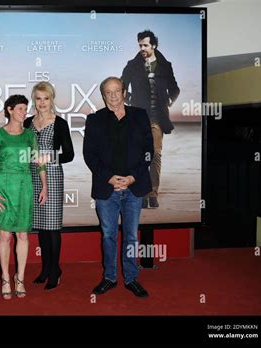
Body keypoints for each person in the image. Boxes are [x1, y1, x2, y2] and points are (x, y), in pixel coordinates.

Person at [83, 77, 153, 298]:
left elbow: (149, 151)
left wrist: (133, 177)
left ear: (124, 92)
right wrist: (109, 178)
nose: (113, 96)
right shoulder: (94, 120)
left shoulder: (140, 116)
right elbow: (90, 155)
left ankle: (131, 278)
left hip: (134, 187)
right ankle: (110, 278)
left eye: (116, 91)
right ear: (103, 96)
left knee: (131, 236)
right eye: (108, 92)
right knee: (108, 235)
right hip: (107, 189)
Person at [0, 95, 47, 299]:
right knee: (4, 235)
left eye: (25, 109)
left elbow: (39, 162)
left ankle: (19, 278)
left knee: (22, 235)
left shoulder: (30, 135)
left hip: (24, 186)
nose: (24, 112)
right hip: (2, 186)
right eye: (20, 109)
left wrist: (44, 186)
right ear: (9, 110)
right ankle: (5, 278)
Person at [24, 81, 74, 290]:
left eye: (46, 98)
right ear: (34, 100)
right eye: (38, 98)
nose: (42, 102)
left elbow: (69, 155)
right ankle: (45, 268)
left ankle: (55, 270)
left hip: (52, 177)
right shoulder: (27, 123)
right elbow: (22, 150)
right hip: (31, 177)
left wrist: (49, 158)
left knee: (52, 228)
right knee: (41, 229)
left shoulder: (60, 123)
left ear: (52, 99)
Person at [121, 29, 180, 208]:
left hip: (157, 118)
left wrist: (168, 102)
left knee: (155, 154)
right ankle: (139, 192)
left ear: (153, 45)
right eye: (140, 45)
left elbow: (175, 89)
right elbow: (122, 87)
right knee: (138, 155)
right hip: (138, 118)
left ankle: (152, 194)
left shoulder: (165, 65)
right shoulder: (132, 65)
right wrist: (130, 101)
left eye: (145, 45)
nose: (142, 48)